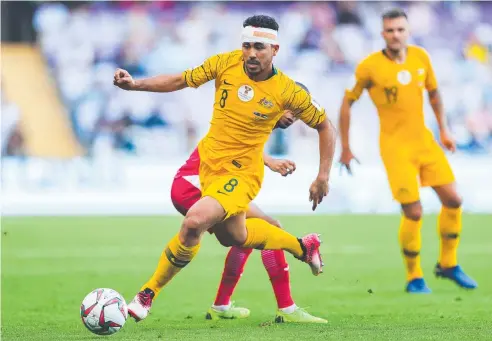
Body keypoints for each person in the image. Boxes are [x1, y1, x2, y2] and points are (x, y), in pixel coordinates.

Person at [113, 14, 337, 321]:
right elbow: (181, 79)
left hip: (240, 175)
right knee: (236, 237)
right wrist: (136, 84)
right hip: (207, 165)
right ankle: (303, 246)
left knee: (195, 223)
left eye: (260, 47)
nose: (252, 53)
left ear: (275, 50)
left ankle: (146, 294)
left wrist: (322, 176)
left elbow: (326, 127)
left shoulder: (288, 91)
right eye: (247, 46)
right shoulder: (224, 63)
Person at [338, 9, 477, 293]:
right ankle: (414, 276)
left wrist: (445, 129)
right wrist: (346, 147)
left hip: (425, 142)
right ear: (382, 34)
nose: (395, 35)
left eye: (400, 29)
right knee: (413, 212)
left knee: (453, 199)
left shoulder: (420, 57)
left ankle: (448, 264)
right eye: (390, 30)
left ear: (407, 31)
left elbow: (435, 94)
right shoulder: (369, 67)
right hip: (395, 148)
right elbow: (346, 103)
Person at [172, 106, 326, 324]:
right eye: (291, 110)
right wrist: (270, 161)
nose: (293, 117)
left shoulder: (260, 120)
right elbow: (237, 139)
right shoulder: (255, 111)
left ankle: (222, 305)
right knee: (269, 227)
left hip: (218, 183)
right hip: (201, 182)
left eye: (298, 114)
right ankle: (288, 302)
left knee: (245, 235)